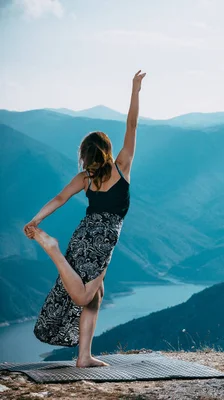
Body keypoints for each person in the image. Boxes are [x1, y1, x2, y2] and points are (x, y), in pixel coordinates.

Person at [23, 70, 146, 368]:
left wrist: (36, 218)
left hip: (83, 234)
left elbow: (60, 198)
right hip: (103, 240)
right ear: (107, 151)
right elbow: (132, 124)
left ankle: (83, 357)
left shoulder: (85, 178)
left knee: (96, 294)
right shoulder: (121, 168)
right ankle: (51, 249)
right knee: (82, 295)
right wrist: (135, 90)